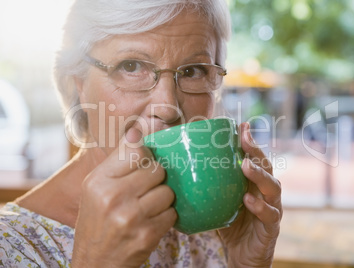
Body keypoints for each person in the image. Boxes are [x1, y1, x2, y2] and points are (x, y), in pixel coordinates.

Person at [0, 0, 282, 267]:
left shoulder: (216, 229)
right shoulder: (10, 247)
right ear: (78, 84)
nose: (168, 106)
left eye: (193, 70)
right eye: (131, 66)